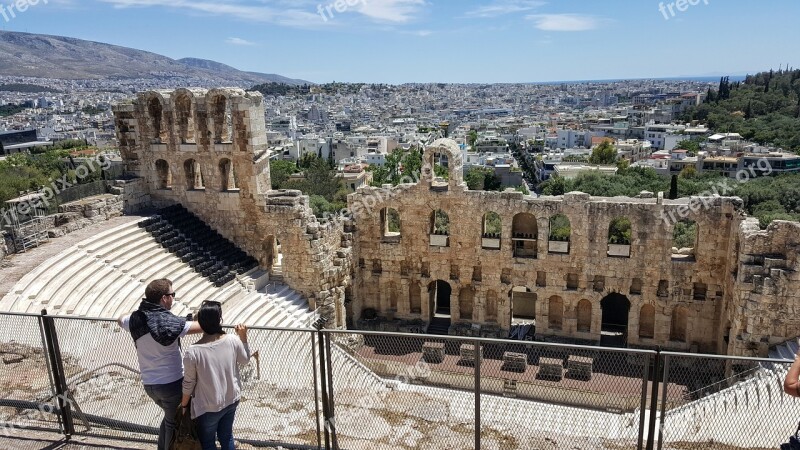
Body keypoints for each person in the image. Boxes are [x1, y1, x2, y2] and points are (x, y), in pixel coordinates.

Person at [117, 278, 203, 450]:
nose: (174, 298)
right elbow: (202, 327)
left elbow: (120, 319)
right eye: (172, 295)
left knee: (169, 418)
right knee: (174, 424)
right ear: (164, 298)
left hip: (150, 385)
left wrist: (138, 312)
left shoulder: (135, 320)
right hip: (171, 385)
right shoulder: (168, 323)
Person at [181, 301, 250, 450]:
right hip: (231, 399)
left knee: (207, 442)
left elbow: (189, 383)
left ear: (200, 323)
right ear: (220, 320)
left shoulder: (193, 352)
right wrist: (243, 337)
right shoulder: (232, 340)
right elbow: (245, 360)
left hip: (208, 407)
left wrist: (184, 405)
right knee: (227, 437)